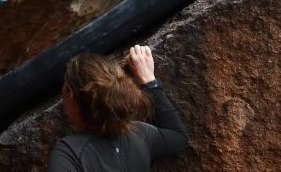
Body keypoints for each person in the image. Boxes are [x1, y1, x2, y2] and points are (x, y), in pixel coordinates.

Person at [49, 46, 189, 172]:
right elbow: (178, 136)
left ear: (71, 95)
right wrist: (149, 81)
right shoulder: (140, 135)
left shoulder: (69, 154)